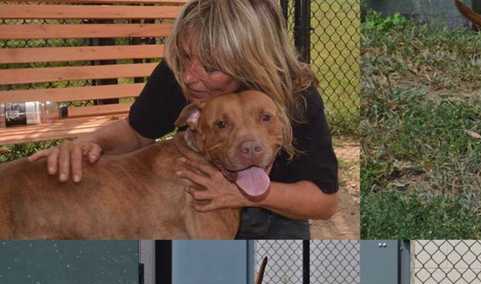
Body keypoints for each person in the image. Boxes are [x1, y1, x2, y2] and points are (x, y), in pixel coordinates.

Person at [30, 0, 339, 239]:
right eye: (183, 56)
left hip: (275, 214)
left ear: (249, 64)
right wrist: (87, 143)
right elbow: (136, 132)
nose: (190, 76)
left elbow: (324, 202)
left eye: (211, 67)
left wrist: (245, 194)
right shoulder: (182, 72)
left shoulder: (295, 94)